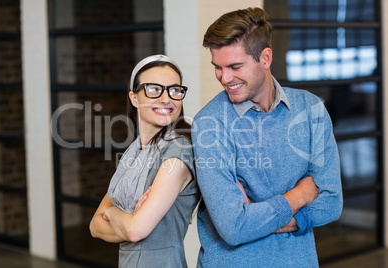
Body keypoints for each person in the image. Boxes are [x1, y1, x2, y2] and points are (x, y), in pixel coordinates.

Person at [191, 7, 343, 267]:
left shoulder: (310, 110)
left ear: (265, 58)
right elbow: (234, 227)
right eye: (218, 67)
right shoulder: (210, 123)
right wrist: (300, 195)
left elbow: (332, 202)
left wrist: (257, 218)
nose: (224, 78)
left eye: (235, 66)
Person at [89, 54, 200, 267]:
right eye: (154, 89)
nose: (166, 98)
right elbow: (95, 226)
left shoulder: (179, 150)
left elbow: (135, 230)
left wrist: (111, 212)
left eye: (174, 90)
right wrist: (127, 219)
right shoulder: (135, 152)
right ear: (134, 98)